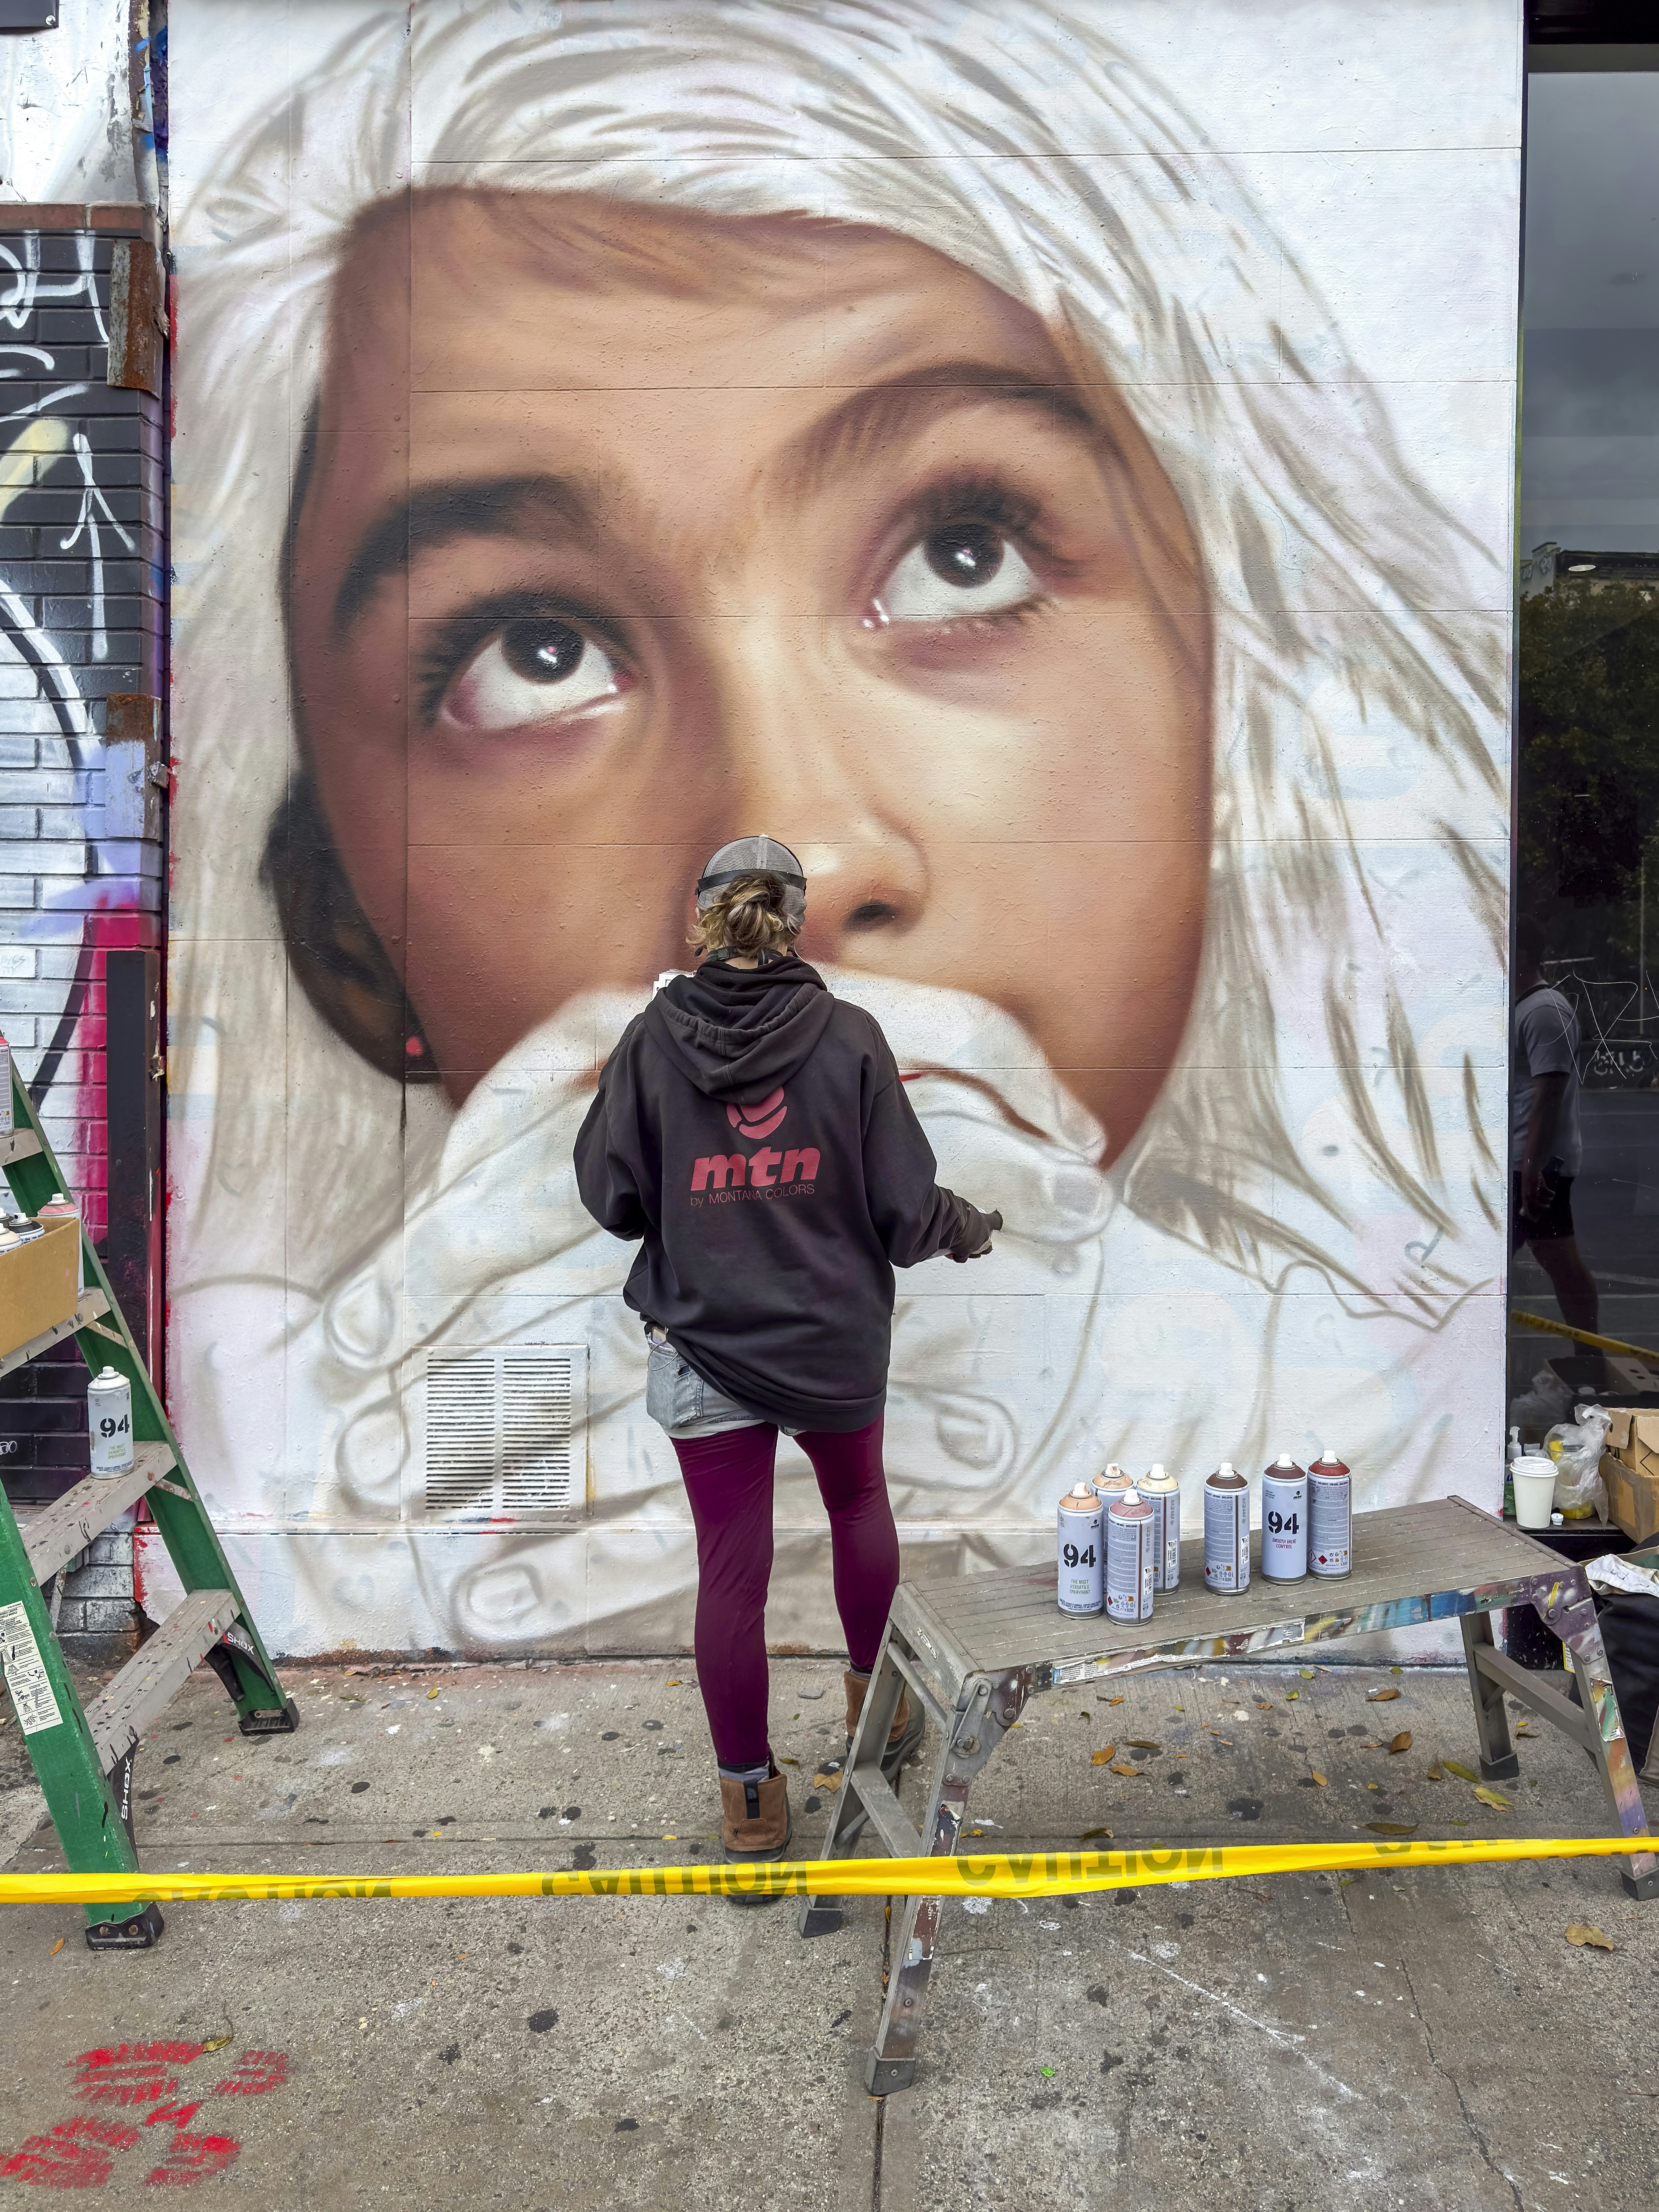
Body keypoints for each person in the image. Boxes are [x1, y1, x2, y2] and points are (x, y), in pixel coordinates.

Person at [164, 1, 1509, 1655]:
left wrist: (1281, 1414)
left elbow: (624, 1197)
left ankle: (757, 1781)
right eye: (534, 654)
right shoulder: (310, 1441)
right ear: (345, 940)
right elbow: (869, 1204)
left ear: (1237, 721)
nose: (805, 843)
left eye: (960, 554)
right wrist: (340, 1559)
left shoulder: (1303, 1386)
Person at [574, 837, 999, 1880]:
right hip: (827, 1338)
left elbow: (609, 1194)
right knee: (858, 1510)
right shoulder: (848, 1037)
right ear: (795, 919)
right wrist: (969, 1225)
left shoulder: (649, 1042)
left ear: (708, 918)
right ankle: (876, 1717)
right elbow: (904, 1214)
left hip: (705, 1342)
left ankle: (751, 1803)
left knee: (733, 1570)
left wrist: (691, 1197)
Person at [1511, 917, 1598, 1341]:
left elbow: (1548, 1094)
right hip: (1525, 1160)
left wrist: (1531, 1167)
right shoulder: (1525, 1007)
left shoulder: (1544, 1010)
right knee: (1555, 1254)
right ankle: (1591, 1356)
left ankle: (1592, 1356)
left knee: (1557, 1258)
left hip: (1534, 1163)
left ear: (1522, 955)